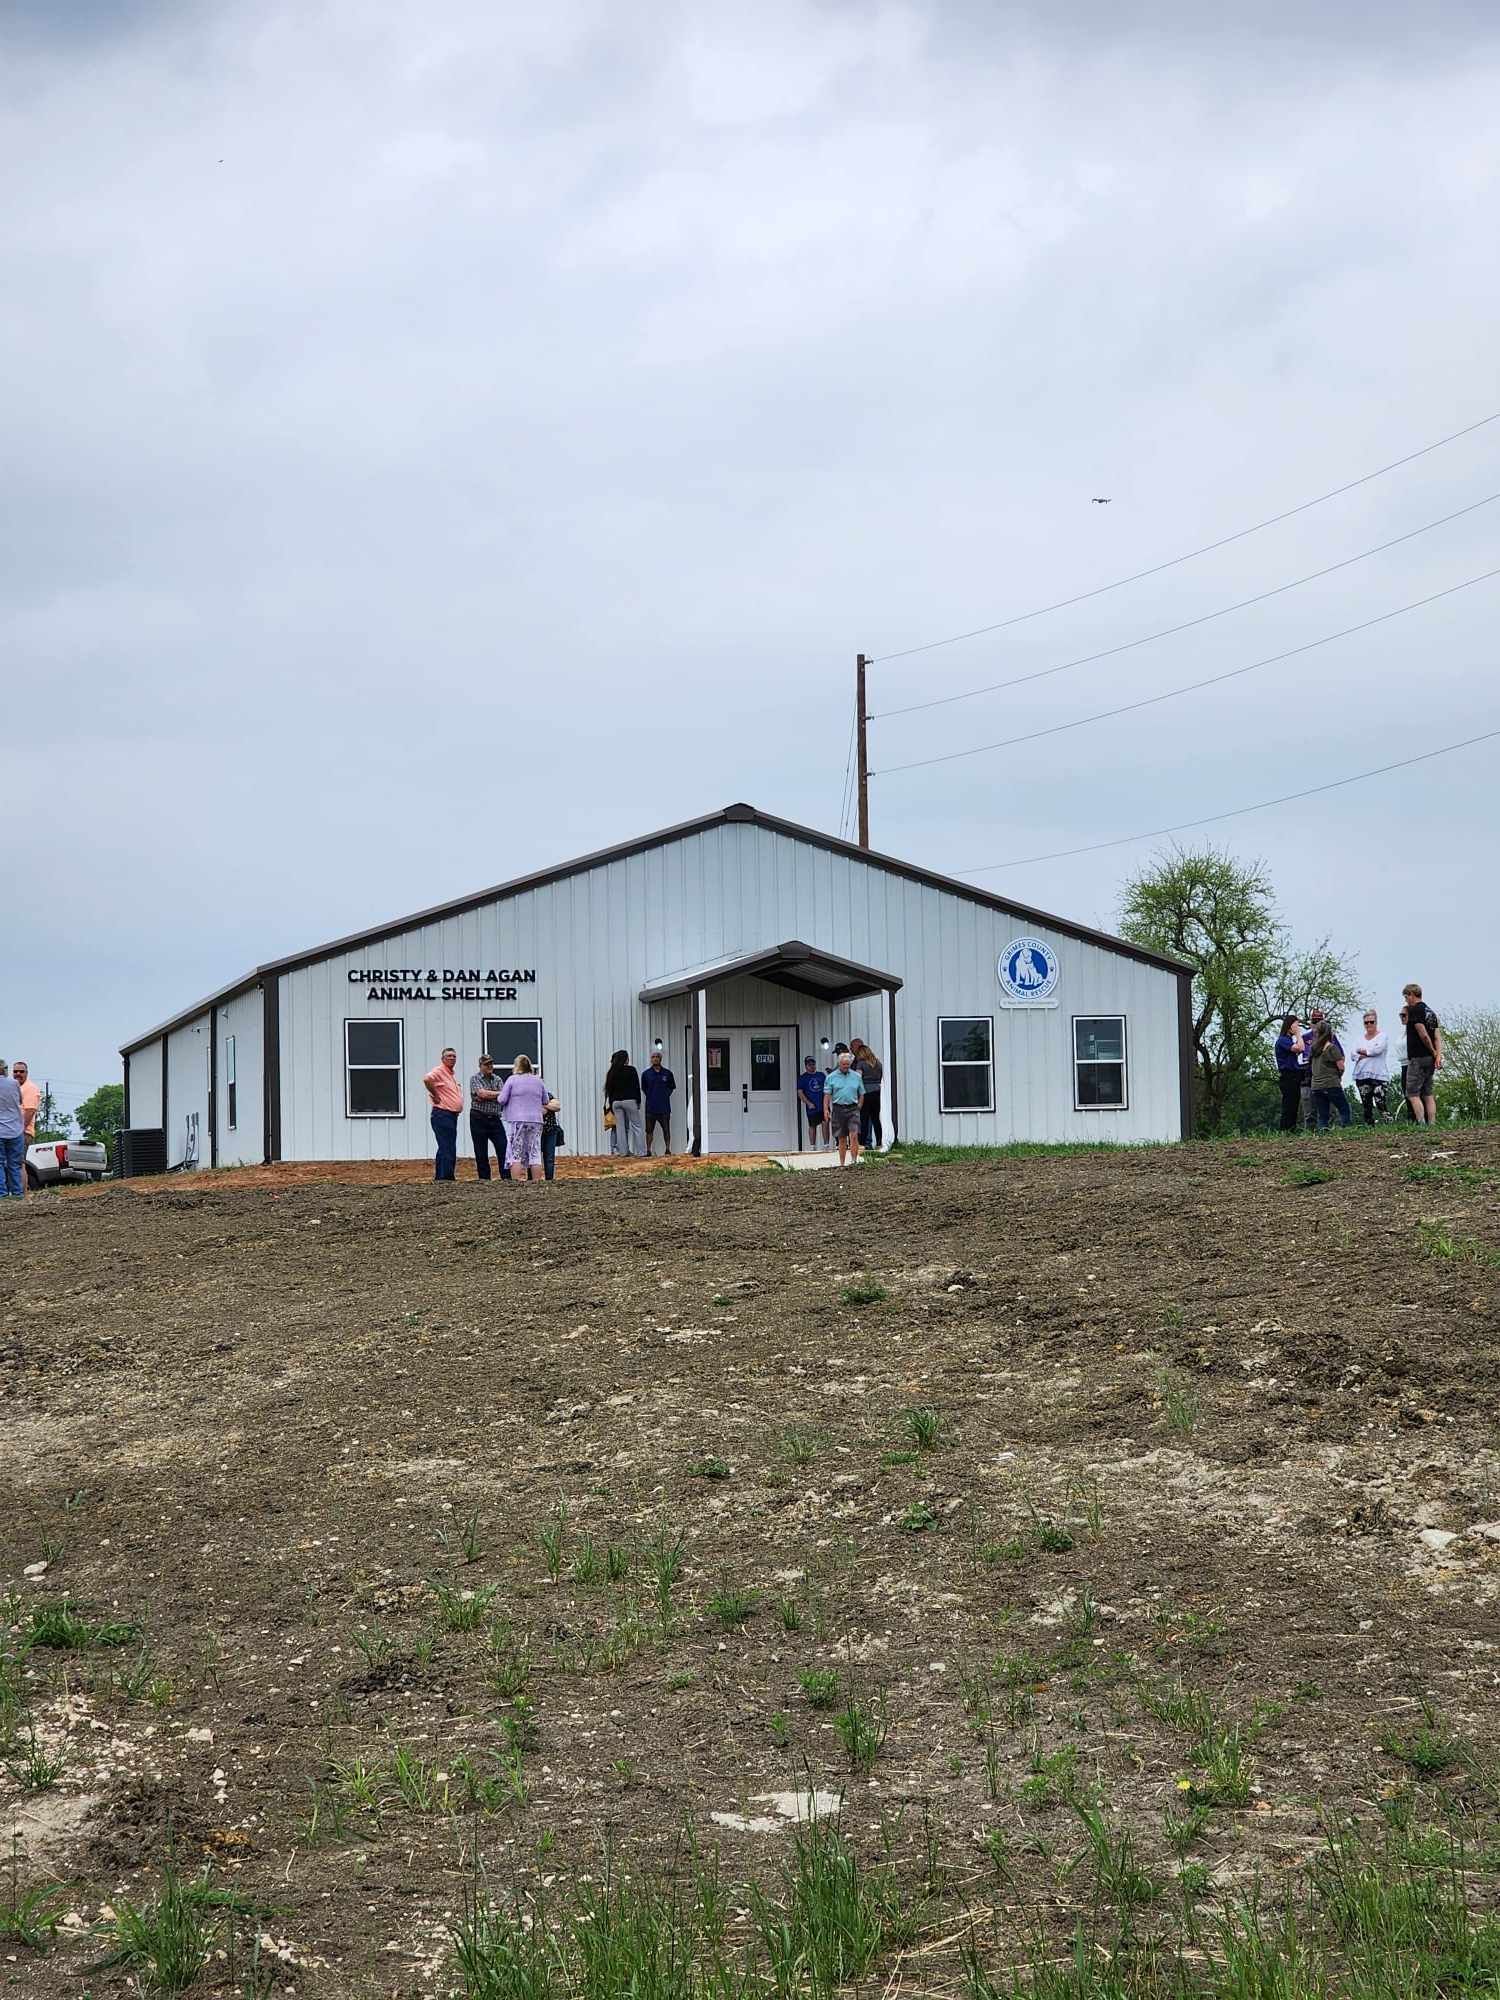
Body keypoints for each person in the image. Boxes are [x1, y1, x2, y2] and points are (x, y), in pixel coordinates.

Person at [498, 1054, 557, 1184]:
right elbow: (546, 1100)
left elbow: (501, 1099)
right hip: (536, 1120)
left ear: (517, 1066)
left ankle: (517, 1182)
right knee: (534, 1152)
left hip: (517, 1120)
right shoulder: (538, 1080)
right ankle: (536, 1182)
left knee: (516, 1152)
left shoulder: (512, 1080)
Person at [1402, 983, 1442, 1125]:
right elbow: (1437, 1036)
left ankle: (1421, 1124)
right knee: (1427, 1093)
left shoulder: (1415, 1010)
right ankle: (1432, 1123)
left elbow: (1423, 1033)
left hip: (1418, 1057)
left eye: (1406, 997)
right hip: (1430, 1059)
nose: (1406, 1000)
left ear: (1412, 995)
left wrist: (1432, 1050)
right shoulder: (1430, 1012)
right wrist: (1437, 1055)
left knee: (1412, 1093)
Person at [423, 1046, 464, 1181]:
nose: (452, 1058)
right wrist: (434, 1094)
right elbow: (427, 1079)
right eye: (449, 1056)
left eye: (454, 1056)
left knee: (444, 1146)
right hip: (442, 1114)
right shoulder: (439, 1071)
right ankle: (447, 1178)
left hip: (451, 1115)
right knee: (448, 1147)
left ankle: (440, 1177)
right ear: (443, 1059)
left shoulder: (450, 1074)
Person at [469, 1052, 509, 1182]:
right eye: (487, 1064)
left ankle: (506, 1177)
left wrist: (489, 1095)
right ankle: (484, 1179)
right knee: (481, 1151)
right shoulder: (475, 1079)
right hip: (478, 1118)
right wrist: (495, 1095)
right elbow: (482, 1094)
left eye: (491, 1064)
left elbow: (503, 1097)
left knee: (503, 1147)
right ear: (480, 1066)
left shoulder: (497, 1079)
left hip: (495, 1118)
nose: (490, 1066)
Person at [1308, 1017, 1351, 1131]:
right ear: (1329, 1033)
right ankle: (1346, 1130)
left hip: (1316, 1086)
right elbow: (1341, 1066)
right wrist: (1339, 1076)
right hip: (1331, 1083)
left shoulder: (1313, 1049)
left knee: (1323, 1114)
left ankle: (1323, 1132)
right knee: (1344, 1108)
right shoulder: (1331, 1048)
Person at [825, 1048, 865, 1167]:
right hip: (838, 1108)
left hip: (853, 1108)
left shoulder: (856, 1077)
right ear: (839, 1064)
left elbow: (862, 1093)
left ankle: (853, 1161)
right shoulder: (831, 1077)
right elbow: (827, 1095)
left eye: (848, 1065)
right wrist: (826, 1109)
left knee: (854, 1134)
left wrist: (859, 1106)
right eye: (843, 1065)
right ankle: (842, 1164)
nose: (845, 1067)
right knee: (842, 1137)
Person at [603, 1050, 645, 1158]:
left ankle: (623, 1152)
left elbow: (609, 1091)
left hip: (616, 1102)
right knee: (637, 1126)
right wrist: (638, 1101)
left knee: (620, 1128)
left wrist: (611, 1104)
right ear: (625, 1059)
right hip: (629, 1100)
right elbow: (636, 1087)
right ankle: (641, 1152)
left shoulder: (612, 1072)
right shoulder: (631, 1070)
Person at [1352, 1009, 1390, 1125]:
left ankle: (1388, 1125)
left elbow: (1377, 1050)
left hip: (1378, 1075)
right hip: (1362, 1074)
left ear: (1376, 1022)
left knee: (1380, 1102)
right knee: (1366, 1105)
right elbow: (1353, 1054)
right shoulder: (1359, 1038)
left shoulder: (1382, 1036)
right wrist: (1365, 1053)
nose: (1369, 1025)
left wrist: (1364, 1052)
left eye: (1371, 1022)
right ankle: (1369, 1126)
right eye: (1366, 1022)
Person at [850, 1038, 885, 1150]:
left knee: (864, 1118)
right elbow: (881, 1077)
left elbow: (857, 1079)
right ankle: (879, 1142)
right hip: (877, 1092)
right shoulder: (878, 1063)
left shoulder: (861, 1064)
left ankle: (863, 1143)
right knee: (876, 1119)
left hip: (865, 1093)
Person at [641, 1049, 677, 1155]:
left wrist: (665, 1095)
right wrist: (651, 1096)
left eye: (657, 1056)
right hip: (650, 1108)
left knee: (666, 1129)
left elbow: (671, 1087)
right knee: (649, 1130)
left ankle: (667, 1149)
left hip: (664, 1107)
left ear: (660, 1059)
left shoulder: (668, 1073)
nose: (655, 1058)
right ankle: (648, 1150)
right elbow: (644, 1088)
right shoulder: (646, 1074)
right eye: (653, 1057)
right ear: (651, 1059)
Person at [1272, 1016, 1305, 1133]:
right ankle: (1285, 1129)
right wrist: (1298, 1034)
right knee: (1289, 1104)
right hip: (1288, 1075)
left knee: (1294, 1104)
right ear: (1289, 1026)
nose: (1297, 1028)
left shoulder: (1289, 1040)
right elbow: (1301, 1048)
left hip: (1295, 1075)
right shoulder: (1283, 1040)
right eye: (1296, 1025)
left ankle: (1291, 1129)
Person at [0, 1061, 25, 1200]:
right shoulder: (14, 1084)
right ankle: (17, 1194)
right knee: (14, 1164)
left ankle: (2, 1195)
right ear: (4, 1070)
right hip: (15, 1130)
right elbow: (20, 1101)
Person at [797, 1055, 827, 1149]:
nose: (811, 1066)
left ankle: (826, 1145)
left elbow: (827, 1089)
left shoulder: (821, 1075)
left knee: (825, 1123)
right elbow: (800, 1093)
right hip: (812, 1105)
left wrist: (826, 1102)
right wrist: (808, 1103)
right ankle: (812, 1147)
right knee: (812, 1125)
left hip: (823, 1104)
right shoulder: (803, 1078)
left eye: (813, 1064)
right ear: (806, 1065)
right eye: (809, 1064)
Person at [12, 1062, 40, 1143]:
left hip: (23, 1133)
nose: (18, 1073)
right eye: (15, 1071)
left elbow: (30, 1111)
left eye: (21, 1071)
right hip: (11, 1133)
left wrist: (19, 1130)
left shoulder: (30, 1088)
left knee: (19, 1155)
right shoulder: (14, 1087)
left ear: (26, 1073)